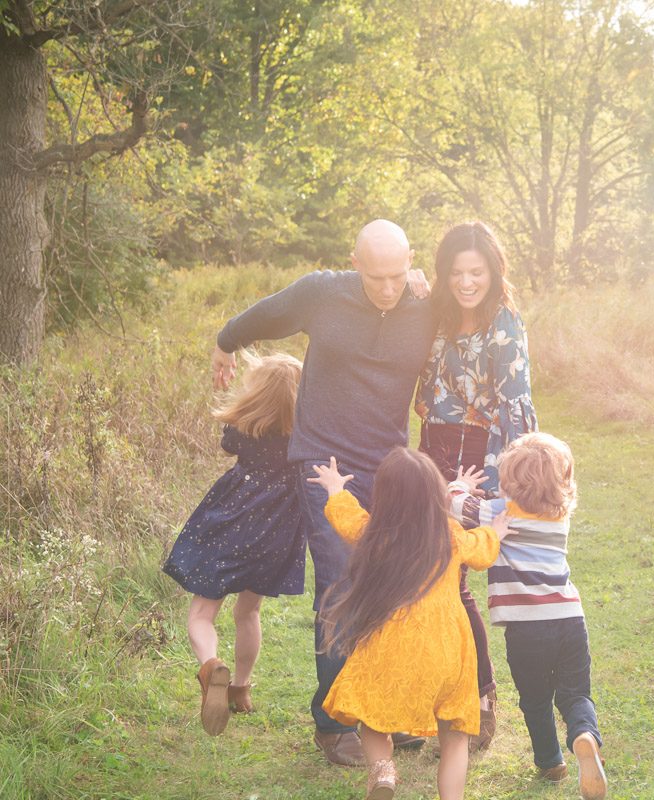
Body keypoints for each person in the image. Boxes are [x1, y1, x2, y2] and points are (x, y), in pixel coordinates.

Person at [211, 220, 435, 766]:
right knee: (339, 583)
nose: (387, 288)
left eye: (398, 275)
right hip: (324, 461)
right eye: (376, 276)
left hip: (389, 467)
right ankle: (334, 723)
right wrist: (225, 344)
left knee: (394, 584)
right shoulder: (322, 293)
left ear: (412, 260)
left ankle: (383, 709)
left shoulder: (428, 303)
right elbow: (262, 315)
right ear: (353, 261)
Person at [306, 450, 511, 800]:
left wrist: (335, 487)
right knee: (455, 735)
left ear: (384, 495)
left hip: (392, 640)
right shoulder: (450, 533)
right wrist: (495, 532)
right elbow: (481, 552)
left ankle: (383, 773)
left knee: (373, 718)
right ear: (437, 494)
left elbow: (346, 517)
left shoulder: (376, 533)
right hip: (448, 646)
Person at [415, 220, 538, 749]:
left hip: (478, 452)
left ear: (493, 270)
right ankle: (433, 693)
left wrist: (512, 480)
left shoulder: (504, 322)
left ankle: (481, 697)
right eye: (456, 272)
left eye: (477, 272)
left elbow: (516, 408)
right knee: (425, 572)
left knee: (458, 576)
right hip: (432, 445)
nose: (467, 282)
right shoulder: (436, 314)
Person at [449, 433, 608, 800]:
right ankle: (584, 735)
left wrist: (463, 484)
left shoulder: (498, 513)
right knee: (576, 694)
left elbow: (453, 503)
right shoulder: (560, 516)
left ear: (509, 482)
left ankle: (551, 762)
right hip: (570, 618)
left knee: (536, 699)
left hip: (526, 629)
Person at [163, 352, 306, 737]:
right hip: (275, 535)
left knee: (201, 615)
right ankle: (240, 688)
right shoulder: (303, 433)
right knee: (248, 613)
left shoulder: (243, 426)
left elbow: (228, 447)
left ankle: (211, 667)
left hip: (230, 525)